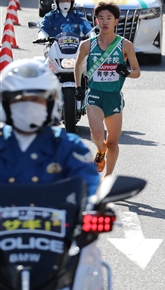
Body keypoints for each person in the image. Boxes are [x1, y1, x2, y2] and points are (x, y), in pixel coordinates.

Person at [0, 60, 100, 195]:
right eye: (21, 100)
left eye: (36, 100)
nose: (29, 107)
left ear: (51, 103)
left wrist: (98, 205)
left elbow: (90, 190)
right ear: (5, 104)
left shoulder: (69, 147)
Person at [74, 2, 141, 177]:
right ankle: (99, 149)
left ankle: (108, 176)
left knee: (112, 142)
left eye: (109, 18)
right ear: (96, 21)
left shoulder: (125, 45)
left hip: (113, 97)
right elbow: (78, 64)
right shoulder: (87, 45)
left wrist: (125, 71)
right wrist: (78, 87)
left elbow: (137, 72)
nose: (105, 22)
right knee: (96, 135)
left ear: (116, 21)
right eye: (101, 18)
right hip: (94, 95)